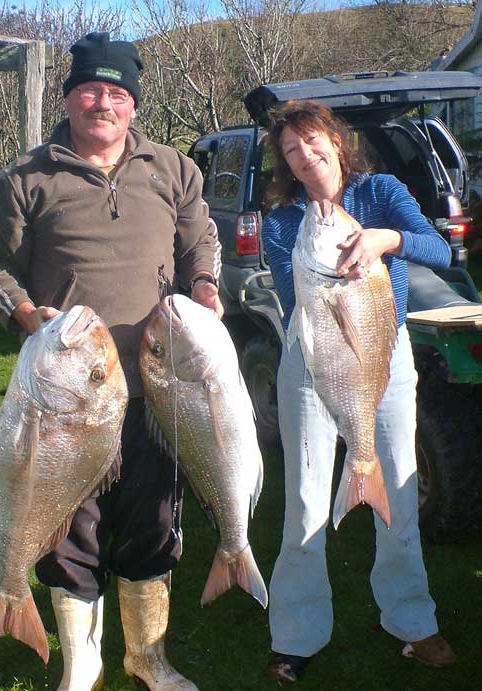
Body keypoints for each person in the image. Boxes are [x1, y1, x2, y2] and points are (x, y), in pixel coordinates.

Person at [0, 32, 222, 691]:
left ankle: (148, 657)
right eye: (90, 88)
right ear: (68, 96)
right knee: (66, 530)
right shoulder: (26, 178)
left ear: (134, 103)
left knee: (154, 526)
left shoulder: (175, 170)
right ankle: (82, 664)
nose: (103, 101)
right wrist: (26, 315)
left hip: (160, 389)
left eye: (117, 92)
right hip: (65, 400)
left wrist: (205, 290)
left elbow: (202, 242)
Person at [261, 100, 456, 683]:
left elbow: (440, 250)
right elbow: (297, 302)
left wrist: (384, 241)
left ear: (335, 140)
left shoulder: (384, 191)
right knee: (304, 501)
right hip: (313, 357)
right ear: (286, 164)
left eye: (311, 139)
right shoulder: (279, 223)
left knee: (397, 490)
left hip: (382, 354)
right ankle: (296, 635)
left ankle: (412, 622)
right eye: (291, 149)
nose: (305, 154)